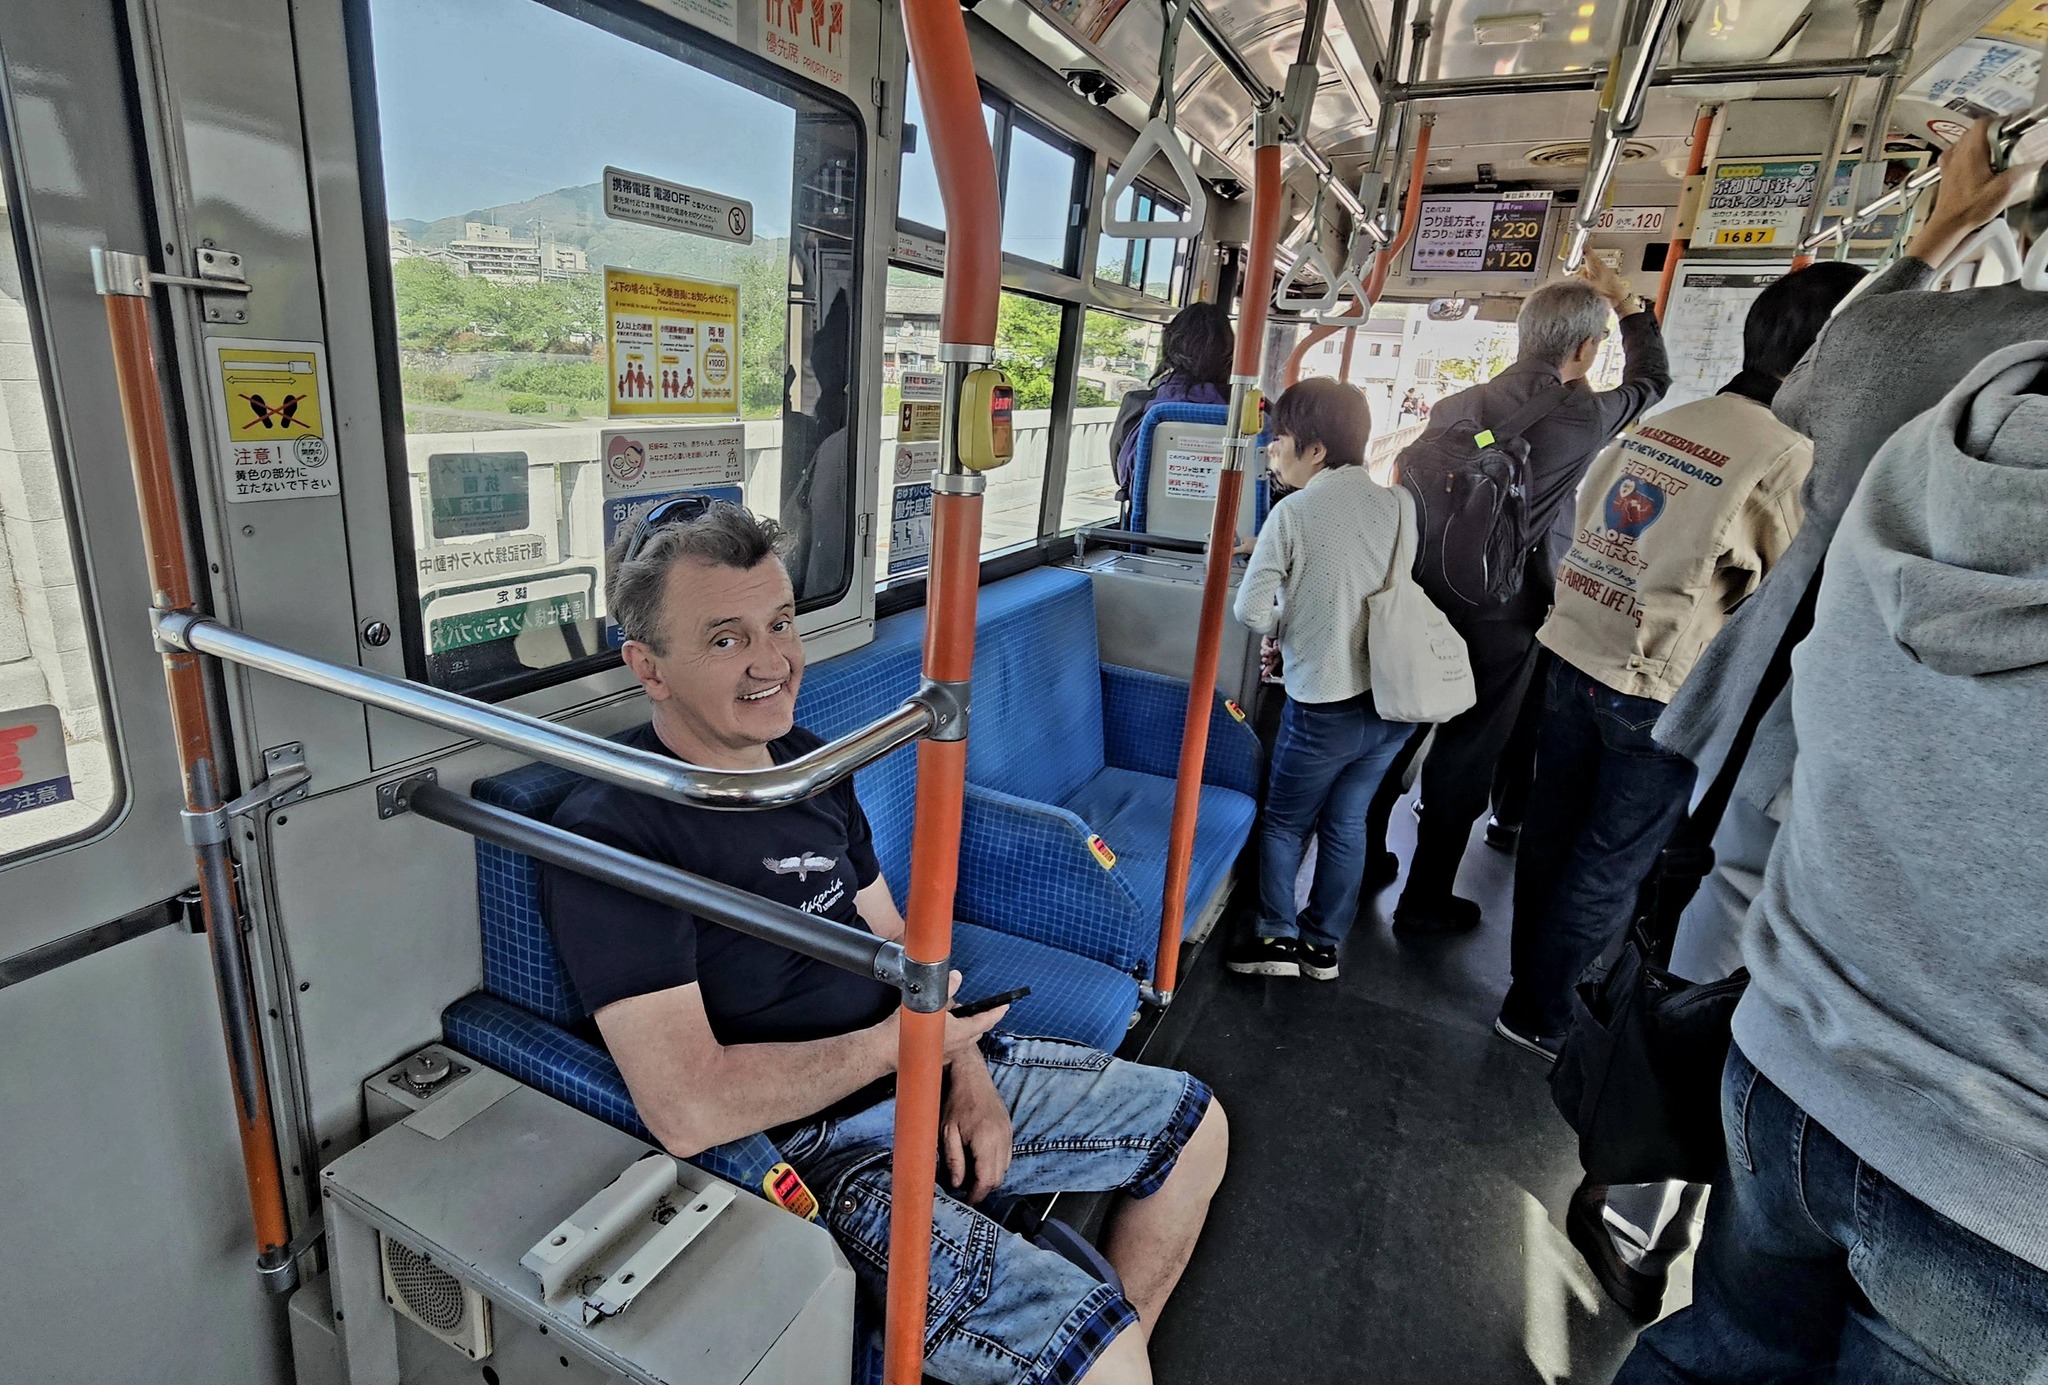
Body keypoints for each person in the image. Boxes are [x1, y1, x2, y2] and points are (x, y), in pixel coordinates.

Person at [542, 501, 1228, 1385]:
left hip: (918, 1060)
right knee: (1106, 1363)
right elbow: (690, 1108)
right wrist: (907, 1048)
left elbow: (898, 938)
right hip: (821, 1146)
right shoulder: (618, 832)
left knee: (1195, 1129)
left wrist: (966, 1071)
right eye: (725, 639)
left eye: (780, 623)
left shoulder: (809, 762)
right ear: (649, 667)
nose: (772, 661)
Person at [1584, 119, 2048, 1329]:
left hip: (1788, 759)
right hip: (2015, 1126)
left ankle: (1641, 1197)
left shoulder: (1911, 363)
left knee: (1710, 942)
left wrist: (1931, 242)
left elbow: (1822, 381)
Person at [1493, 261, 1867, 1062]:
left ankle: (1525, 990)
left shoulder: (1668, 423)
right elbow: (1775, 593)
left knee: (1552, 833)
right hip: (1655, 683)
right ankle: (1546, 1014)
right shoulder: (1788, 457)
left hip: (1573, 647)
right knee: (1609, 860)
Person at [1372, 256, 1671, 936]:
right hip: (1503, 612)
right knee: (1469, 747)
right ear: (1585, 349)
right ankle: (1425, 899)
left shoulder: (1457, 405)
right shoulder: (1580, 416)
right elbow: (1652, 381)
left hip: (1422, 589)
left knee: (1398, 724)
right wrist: (1628, 304)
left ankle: (1363, 860)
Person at [1226, 379, 1409, 983]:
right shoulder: (1398, 504)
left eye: (1280, 440)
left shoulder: (1293, 512)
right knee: (1347, 823)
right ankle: (1323, 946)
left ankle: (1275, 937)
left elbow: (1251, 612)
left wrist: (1282, 623)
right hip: (1390, 703)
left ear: (1317, 449)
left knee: (1285, 822)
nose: (1273, 452)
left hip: (1324, 706)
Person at [1109, 302, 1234, 503]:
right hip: (1231, 522)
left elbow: (1123, 478)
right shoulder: (1249, 411)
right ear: (1228, 354)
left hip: (1148, 522)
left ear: (1170, 347)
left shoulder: (1137, 406)